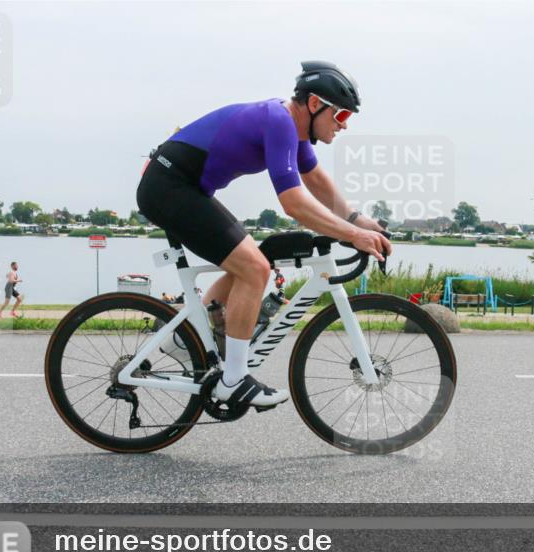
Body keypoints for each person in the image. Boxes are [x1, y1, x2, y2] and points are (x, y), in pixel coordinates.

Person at [136, 61, 391, 409]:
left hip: (185, 188)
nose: (342, 126)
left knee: (258, 258)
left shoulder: (293, 130)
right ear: (315, 104)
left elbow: (315, 181)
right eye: (341, 115)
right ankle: (233, 381)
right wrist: (352, 235)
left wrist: (358, 221)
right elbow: (294, 203)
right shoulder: (279, 121)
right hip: (168, 186)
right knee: (254, 268)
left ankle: (187, 338)